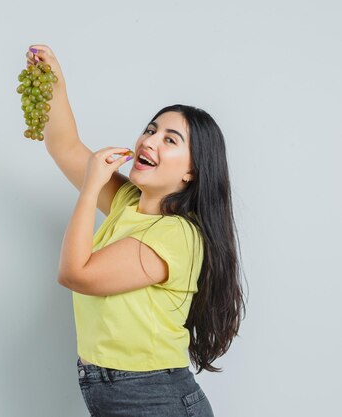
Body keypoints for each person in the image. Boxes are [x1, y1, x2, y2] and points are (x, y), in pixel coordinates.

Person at [27, 44, 246, 417]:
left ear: (191, 172)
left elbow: (75, 273)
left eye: (170, 140)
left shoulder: (178, 236)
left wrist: (92, 186)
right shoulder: (128, 203)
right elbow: (64, 147)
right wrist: (55, 84)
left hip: (153, 397)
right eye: (151, 129)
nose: (149, 140)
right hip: (117, 392)